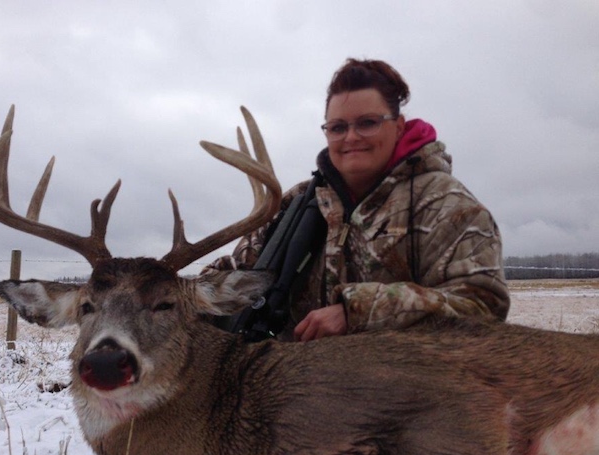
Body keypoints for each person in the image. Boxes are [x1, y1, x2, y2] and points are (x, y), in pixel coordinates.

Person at [205, 58, 509, 342]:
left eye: (367, 123)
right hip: (291, 376)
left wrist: (357, 312)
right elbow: (237, 271)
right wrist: (188, 294)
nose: (351, 137)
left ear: (399, 126)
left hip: (406, 380)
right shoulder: (296, 204)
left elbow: (482, 307)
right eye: (338, 127)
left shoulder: (446, 206)